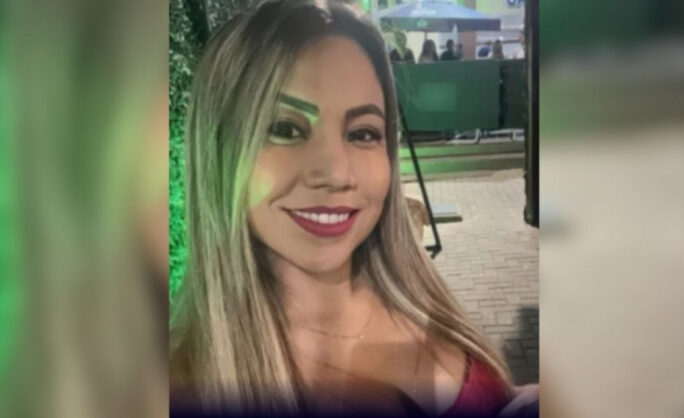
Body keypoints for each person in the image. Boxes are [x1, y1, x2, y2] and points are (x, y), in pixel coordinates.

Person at [170, 1, 538, 416]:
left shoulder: (415, 293)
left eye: (362, 133)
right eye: (285, 129)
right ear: (219, 149)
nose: (336, 174)